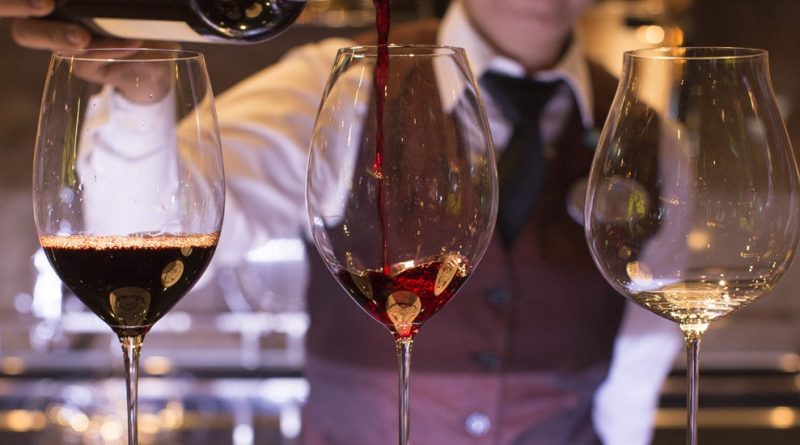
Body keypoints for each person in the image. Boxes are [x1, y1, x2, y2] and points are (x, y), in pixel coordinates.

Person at [3, 0, 683, 443]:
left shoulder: (648, 134)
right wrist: (141, 93)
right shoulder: (342, 83)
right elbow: (141, 231)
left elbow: (641, 349)